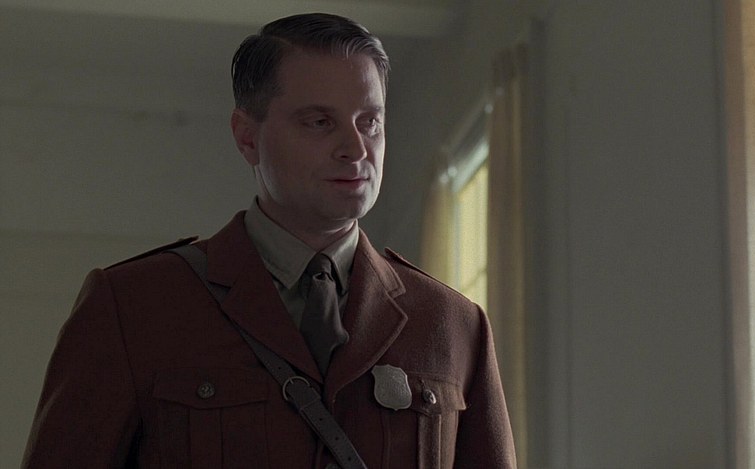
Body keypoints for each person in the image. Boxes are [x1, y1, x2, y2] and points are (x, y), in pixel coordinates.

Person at [22, 12, 516, 468]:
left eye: (370, 122)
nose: (355, 147)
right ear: (247, 136)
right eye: (319, 122)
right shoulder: (134, 306)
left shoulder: (453, 325)